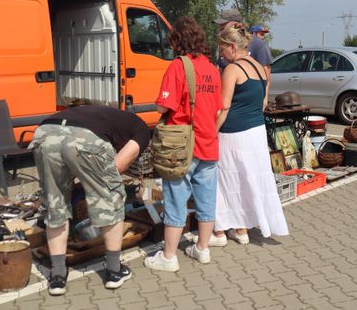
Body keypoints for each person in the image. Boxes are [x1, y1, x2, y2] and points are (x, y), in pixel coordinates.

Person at [30, 105, 151, 295]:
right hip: (85, 138)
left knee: (55, 202)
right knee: (109, 198)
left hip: (45, 133)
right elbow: (117, 167)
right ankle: (114, 271)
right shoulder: (143, 131)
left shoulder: (107, 116)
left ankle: (57, 276)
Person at [144, 17, 223, 272]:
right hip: (209, 142)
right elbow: (218, 108)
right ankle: (202, 249)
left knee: (176, 200)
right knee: (206, 199)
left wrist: (158, 103)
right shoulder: (212, 69)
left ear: (177, 41)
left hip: (182, 147)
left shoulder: (178, 66)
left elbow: (163, 106)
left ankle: (168, 257)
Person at [210, 23, 288, 246]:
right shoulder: (260, 68)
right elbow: (262, 100)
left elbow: (224, 107)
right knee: (247, 179)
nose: (221, 55)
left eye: (222, 49)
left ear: (233, 47)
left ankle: (220, 231)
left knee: (226, 180)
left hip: (233, 133)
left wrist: (211, 132)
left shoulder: (232, 70)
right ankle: (242, 229)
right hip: (256, 132)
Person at [248, 25, 273, 109]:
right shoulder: (261, 44)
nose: (263, 38)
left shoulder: (240, 45)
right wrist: (265, 98)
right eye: (261, 34)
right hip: (256, 91)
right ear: (254, 33)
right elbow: (267, 71)